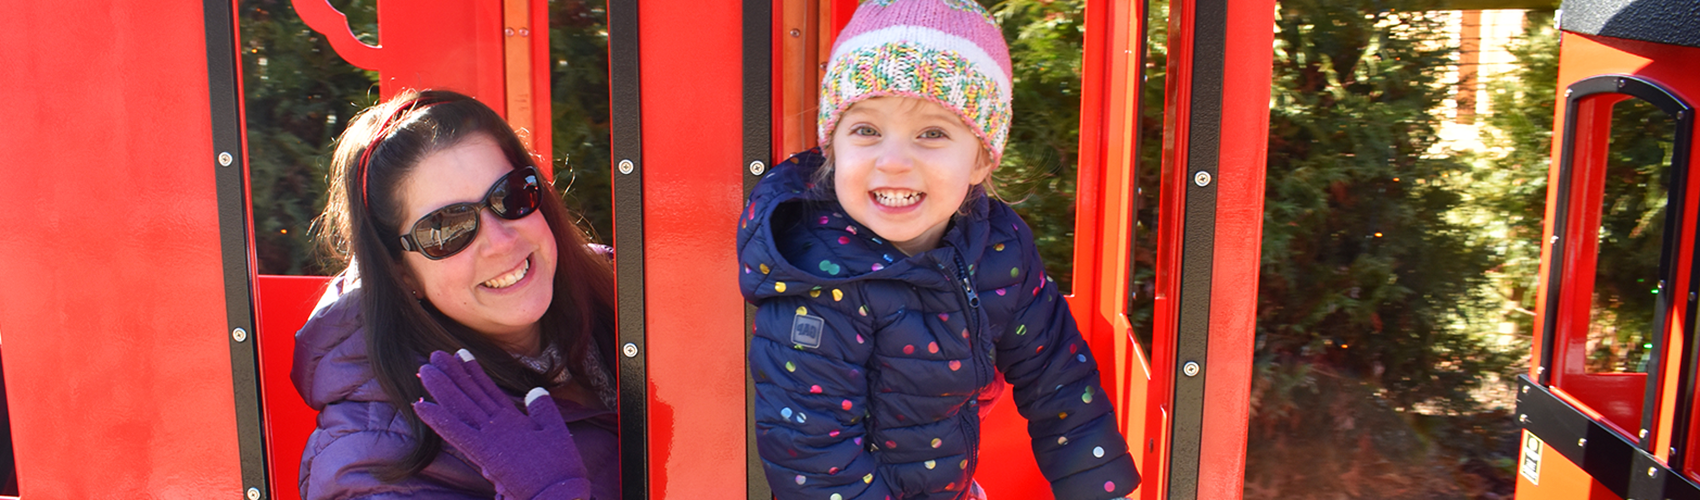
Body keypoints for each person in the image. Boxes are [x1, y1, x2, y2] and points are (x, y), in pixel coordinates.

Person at [737, 0, 1141, 498]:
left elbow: (1055, 374)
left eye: (931, 133)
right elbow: (816, 457)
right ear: (833, 148)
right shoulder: (821, 277)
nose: (893, 162)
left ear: (980, 162)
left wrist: (1099, 487)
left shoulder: (997, 246)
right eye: (866, 130)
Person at [292, 89, 619, 500]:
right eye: (446, 229)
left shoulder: (624, 294)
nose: (500, 241)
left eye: (512, 195)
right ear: (398, 271)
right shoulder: (372, 462)